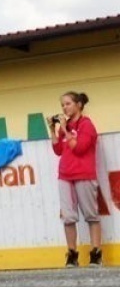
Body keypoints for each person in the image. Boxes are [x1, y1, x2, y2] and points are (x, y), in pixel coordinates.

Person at [50, 91, 102, 268]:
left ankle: (96, 253)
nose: (64, 107)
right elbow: (58, 150)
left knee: (91, 215)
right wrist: (53, 129)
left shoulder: (86, 125)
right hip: (65, 175)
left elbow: (79, 148)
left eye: (68, 103)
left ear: (78, 104)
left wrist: (65, 129)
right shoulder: (65, 126)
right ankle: (72, 253)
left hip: (83, 174)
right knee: (68, 217)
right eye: (62, 105)